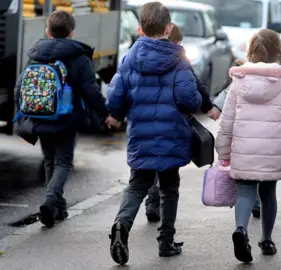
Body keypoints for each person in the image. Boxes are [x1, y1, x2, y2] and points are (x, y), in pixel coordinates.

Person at [106, 2, 201, 265]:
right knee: (169, 188)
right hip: (172, 136)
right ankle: (166, 242)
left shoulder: (130, 59)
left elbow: (116, 93)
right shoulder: (178, 61)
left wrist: (114, 114)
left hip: (141, 134)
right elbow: (189, 99)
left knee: (137, 184)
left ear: (140, 29)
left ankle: (121, 224)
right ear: (169, 28)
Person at [215, 29, 281, 263]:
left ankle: (241, 229)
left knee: (246, 191)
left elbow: (226, 121)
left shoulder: (239, 82)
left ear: (250, 52)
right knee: (268, 194)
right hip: (272, 152)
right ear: (279, 52)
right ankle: (267, 239)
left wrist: (223, 151)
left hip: (244, 150)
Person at [14, 11, 109, 227]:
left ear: (47, 31)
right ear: (72, 32)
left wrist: (22, 112)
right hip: (66, 118)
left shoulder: (36, 53)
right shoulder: (78, 57)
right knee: (63, 162)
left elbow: (20, 87)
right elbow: (91, 92)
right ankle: (49, 201)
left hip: (39, 114)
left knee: (49, 161)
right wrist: (107, 114)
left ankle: (58, 207)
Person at [144, 23, 220, 222]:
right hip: (171, 123)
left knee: (152, 162)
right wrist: (207, 107)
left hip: (146, 121)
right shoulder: (179, 60)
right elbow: (194, 86)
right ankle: (164, 228)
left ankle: (151, 201)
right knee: (168, 173)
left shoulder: (143, 56)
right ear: (176, 42)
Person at [212, 59, 262, 219]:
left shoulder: (236, 85)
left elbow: (224, 100)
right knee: (259, 172)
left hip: (240, 139)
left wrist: (215, 108)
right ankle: (258, 201)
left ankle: (248, 204)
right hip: (261, 138)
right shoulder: (268, 83)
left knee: (245, 176)